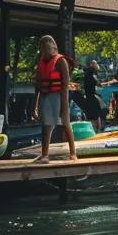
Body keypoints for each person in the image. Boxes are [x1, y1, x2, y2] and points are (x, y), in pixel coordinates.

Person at [32, 35, 77, 163]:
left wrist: (64, 106)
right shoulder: (41, 62)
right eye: (42, 46)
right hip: (46, 95)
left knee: (65, 123)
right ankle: (44, 155)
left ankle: (73, 153)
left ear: (52, 46)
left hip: (59, 96)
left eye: (46, 45)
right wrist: (34, 105)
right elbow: (37, 86)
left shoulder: (61, 61)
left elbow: (65, 85)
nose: (44, 49)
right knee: (46, 126)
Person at [76, 59, 107, 131]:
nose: (97, 66)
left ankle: (92, 129)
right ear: (92, 65)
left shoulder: (86, 73)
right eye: (95, 64)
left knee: (91, 114)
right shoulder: (92, 74)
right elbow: (98, 84)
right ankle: (97, 129)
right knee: (97, 114)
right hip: (92, 97)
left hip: (88, 97)